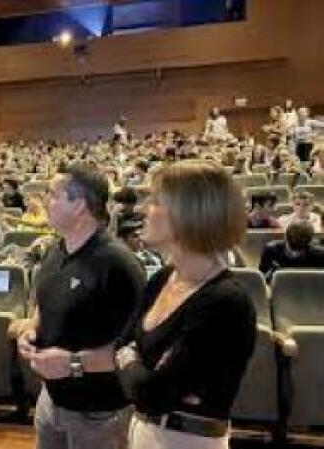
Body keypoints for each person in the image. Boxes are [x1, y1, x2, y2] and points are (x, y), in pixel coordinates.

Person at [64, 160, 256, 449]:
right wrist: (138, 363)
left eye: (154, 202)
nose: (142, 210)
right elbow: (122, 346)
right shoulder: (163, 278)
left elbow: (153, 394)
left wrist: (132, 359)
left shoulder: (227, 302)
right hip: (144, 431)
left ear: (188, 213)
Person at [17, 162, 145, 449]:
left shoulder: (119, 264)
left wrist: (73, 363)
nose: (43, 202)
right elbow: (45, 303)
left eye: (52, 194)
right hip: (51, 400)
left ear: (79, 205)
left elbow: (135, 350)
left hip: (99, 413)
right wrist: (31, 328)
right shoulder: (54, 250)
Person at [259, 221, 324, 283]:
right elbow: (262, 279)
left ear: (309, 241)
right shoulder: (271, 250)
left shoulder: (319, 255)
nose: (295, 253)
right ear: (286, 237)